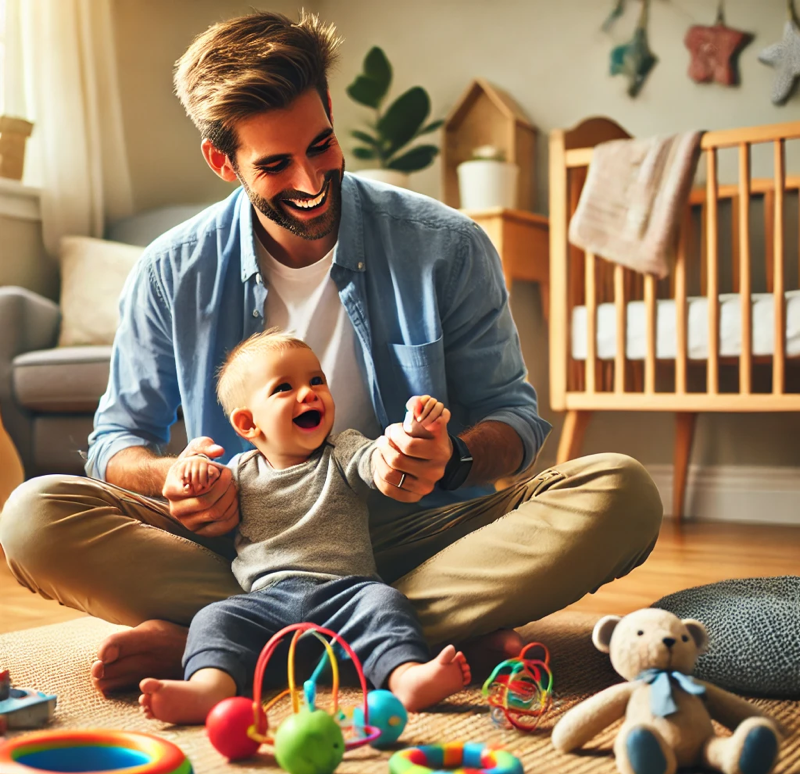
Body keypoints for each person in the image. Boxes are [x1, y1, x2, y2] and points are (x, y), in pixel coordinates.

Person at [0, 10, 662, 696]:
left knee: (621, 492)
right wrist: (170, 479)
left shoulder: (447, 245)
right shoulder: (171, 270)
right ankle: (401, 635)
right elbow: (116, 442)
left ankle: (223, 638)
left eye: (322, 146)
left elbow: (513, 422)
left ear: (332, 116)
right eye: (276, 164)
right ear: (222, 161)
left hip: (420, 533)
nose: (312, 182)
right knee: (32, 515)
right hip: (248, 550)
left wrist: (452, 456)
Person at [139, 328, 470, 724]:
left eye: (316, 381)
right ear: (247, 424)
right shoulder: (240, 471)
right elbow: (205, 489)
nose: (309, 393)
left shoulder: (342, 449)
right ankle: (209, 689)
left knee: (385, 604)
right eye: (284, 388)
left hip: (347, 591)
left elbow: (379, 458)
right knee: (214, 619)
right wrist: (191, 466)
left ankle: (406, 676)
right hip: (265, 599)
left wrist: (413, 435)